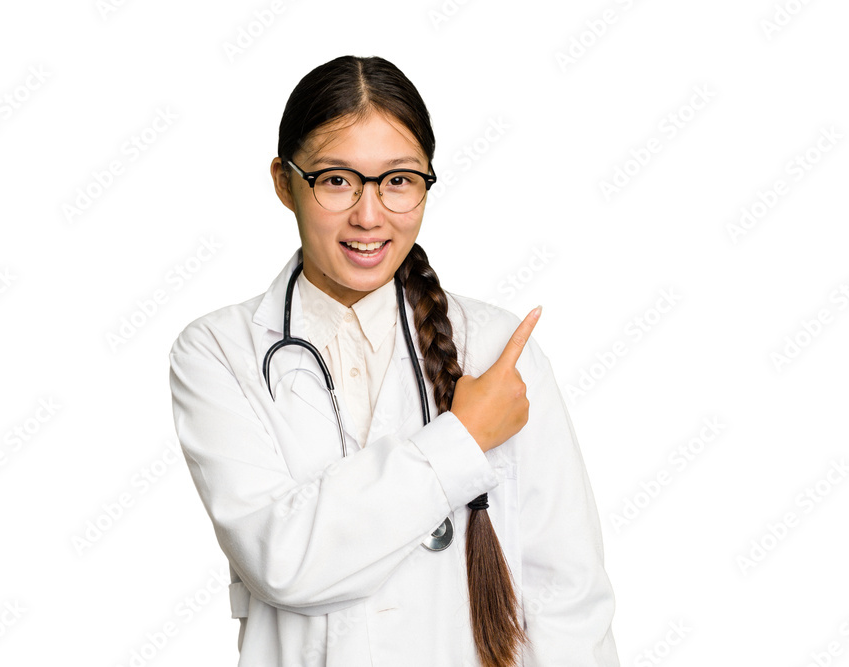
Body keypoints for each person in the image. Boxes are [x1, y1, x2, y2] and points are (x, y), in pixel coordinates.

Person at [168, 55, 619, 667]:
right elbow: (282, 560)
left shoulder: (494, 348)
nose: (369, 215)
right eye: (336, 180)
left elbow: (566, 595)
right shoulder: (218, 352)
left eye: (399, 180)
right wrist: (463, 440)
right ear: (284, 182)